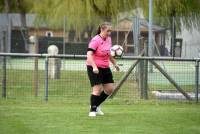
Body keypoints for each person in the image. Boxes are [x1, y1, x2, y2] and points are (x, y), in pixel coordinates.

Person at [86, 22, 119, 117]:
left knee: (109, 89)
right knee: (97, 89)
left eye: (110, 31)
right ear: (102, 29)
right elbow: (89, 55)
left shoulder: (108, 39)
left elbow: (108, 53)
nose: (109, 33)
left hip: (105, 67)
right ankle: (92, 110)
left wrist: (115, 64)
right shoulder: (95, 40)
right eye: (108, 31)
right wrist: (94, 67)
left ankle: (96, 105)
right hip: (94, 67)